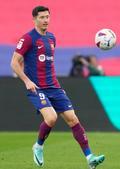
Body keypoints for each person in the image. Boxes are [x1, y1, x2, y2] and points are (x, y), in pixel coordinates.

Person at [10, 6, 104, 169]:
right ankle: (38, 146)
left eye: (47, 17)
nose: (46, 20)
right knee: (51, 118)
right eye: (42, 17)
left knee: (73, 119)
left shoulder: (52, 38)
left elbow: (48, 66)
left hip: (54, 87)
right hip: (36, 87)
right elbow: (14, 63)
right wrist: (26, 81)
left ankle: (90, 158)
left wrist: (58, 87)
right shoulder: (28, 39)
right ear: (34, 19)